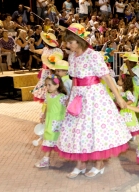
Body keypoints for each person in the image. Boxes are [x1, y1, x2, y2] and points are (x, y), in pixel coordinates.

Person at [56, 23, 131, 178]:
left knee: (94, 130)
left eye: (71, 42)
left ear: (79, 40)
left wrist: (118, 98)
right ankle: (80, 164)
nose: (67, 45)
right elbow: (75, 79)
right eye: (67, 42)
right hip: (78, 97)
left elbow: (107, 77)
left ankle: (99, 164)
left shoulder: (93, 55)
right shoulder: (71, 56)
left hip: (93, 97)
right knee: (77, 130)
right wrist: (70, 97)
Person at [34, 74, 68, 168]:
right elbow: (46, 106)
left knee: (56, 140)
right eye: (46, 85)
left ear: (57, 85)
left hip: (58, 122)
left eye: (49, 85)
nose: (47, 87)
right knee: (49, 140)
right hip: (49, 121)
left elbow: (67, 109)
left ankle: (46, 159)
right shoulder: (48, 96)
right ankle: (46, 159)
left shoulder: (62, 97)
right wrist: (43, 116)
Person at [30, 32, 63, 102]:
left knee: (51, 84)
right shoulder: (45, 49)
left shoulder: (57, 50)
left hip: (52, 71)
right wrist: (33, 50)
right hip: (45, 70)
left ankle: (52, 100)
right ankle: (46, 101)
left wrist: (53, 69)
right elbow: (40, 51)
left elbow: (57, 61)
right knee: (44, 84)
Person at [118, 74, 139, 140]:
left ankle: (132, 134)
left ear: (124, 82)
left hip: (127, 111)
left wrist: (125, 104)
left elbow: (132, 100)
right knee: (123, 122)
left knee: (129, 122)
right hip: (122, 110)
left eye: (120, 79)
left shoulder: (127, 92)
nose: (118, 80)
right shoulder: (120, 91)